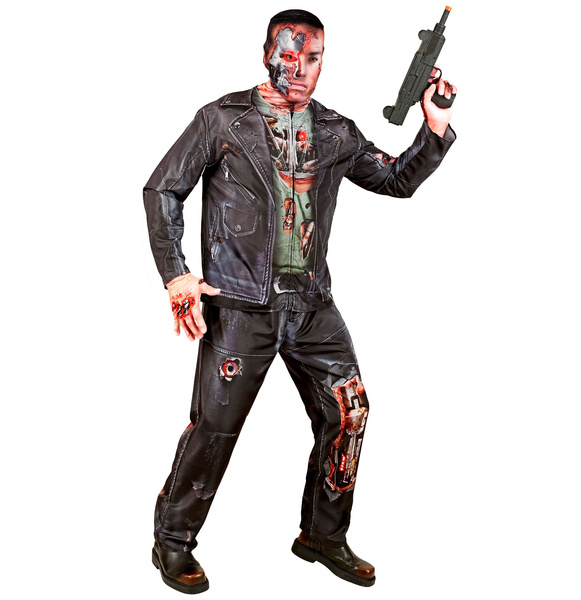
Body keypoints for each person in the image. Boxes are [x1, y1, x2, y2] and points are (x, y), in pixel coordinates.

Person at [144, 8, 456, 594]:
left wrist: (433, 127)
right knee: (215, 428)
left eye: (314, 57)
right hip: (239, 306)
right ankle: (173, 541)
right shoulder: (222, 120)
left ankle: (323, 535)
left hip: (312, 307)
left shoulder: (335, 131)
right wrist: (176, 275)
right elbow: (163, 187)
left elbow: (395, 179)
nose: (302, 68)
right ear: (267, 53)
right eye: (290, 55)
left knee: (349, 413)